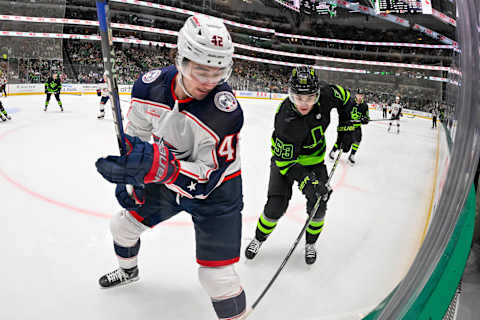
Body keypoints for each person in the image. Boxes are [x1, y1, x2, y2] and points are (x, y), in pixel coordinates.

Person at [95, 15, 247, 320]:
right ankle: (128, 272)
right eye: (200, 69)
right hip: (165, 178)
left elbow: (205, 181)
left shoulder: (225, 113)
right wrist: (132, 177)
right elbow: (135, 137)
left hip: (217, 193)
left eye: (219, 71)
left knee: (216, 278)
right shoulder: (148, 87)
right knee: (122, 226)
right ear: (181, 58)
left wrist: (156, 167)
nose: (208, 81)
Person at [244, 66, 353, 265]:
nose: (304, 103)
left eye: (310, 97)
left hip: (315, 162)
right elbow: (285, 162)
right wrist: (306, 181)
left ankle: (310, 243)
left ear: (318, 93)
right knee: (275, 207)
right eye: (298, 98)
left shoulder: (327, 95)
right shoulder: (285, 119)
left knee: (319, 207)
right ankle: (258, 238)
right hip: (286, 164)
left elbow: (346, 98)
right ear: (290, 94)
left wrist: (346, 126)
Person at [346, 88, 369, 165]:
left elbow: (367, 117)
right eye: (359, 95)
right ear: (356, 95)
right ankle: (334, 151)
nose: (360, 97)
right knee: (345, 142)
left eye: (361, 95)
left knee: (358, 140)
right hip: (349, 125)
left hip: (357, 126)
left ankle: (352, 155)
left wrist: (365, 119)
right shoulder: (351, 102)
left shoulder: (365, 106)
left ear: (363, 96)